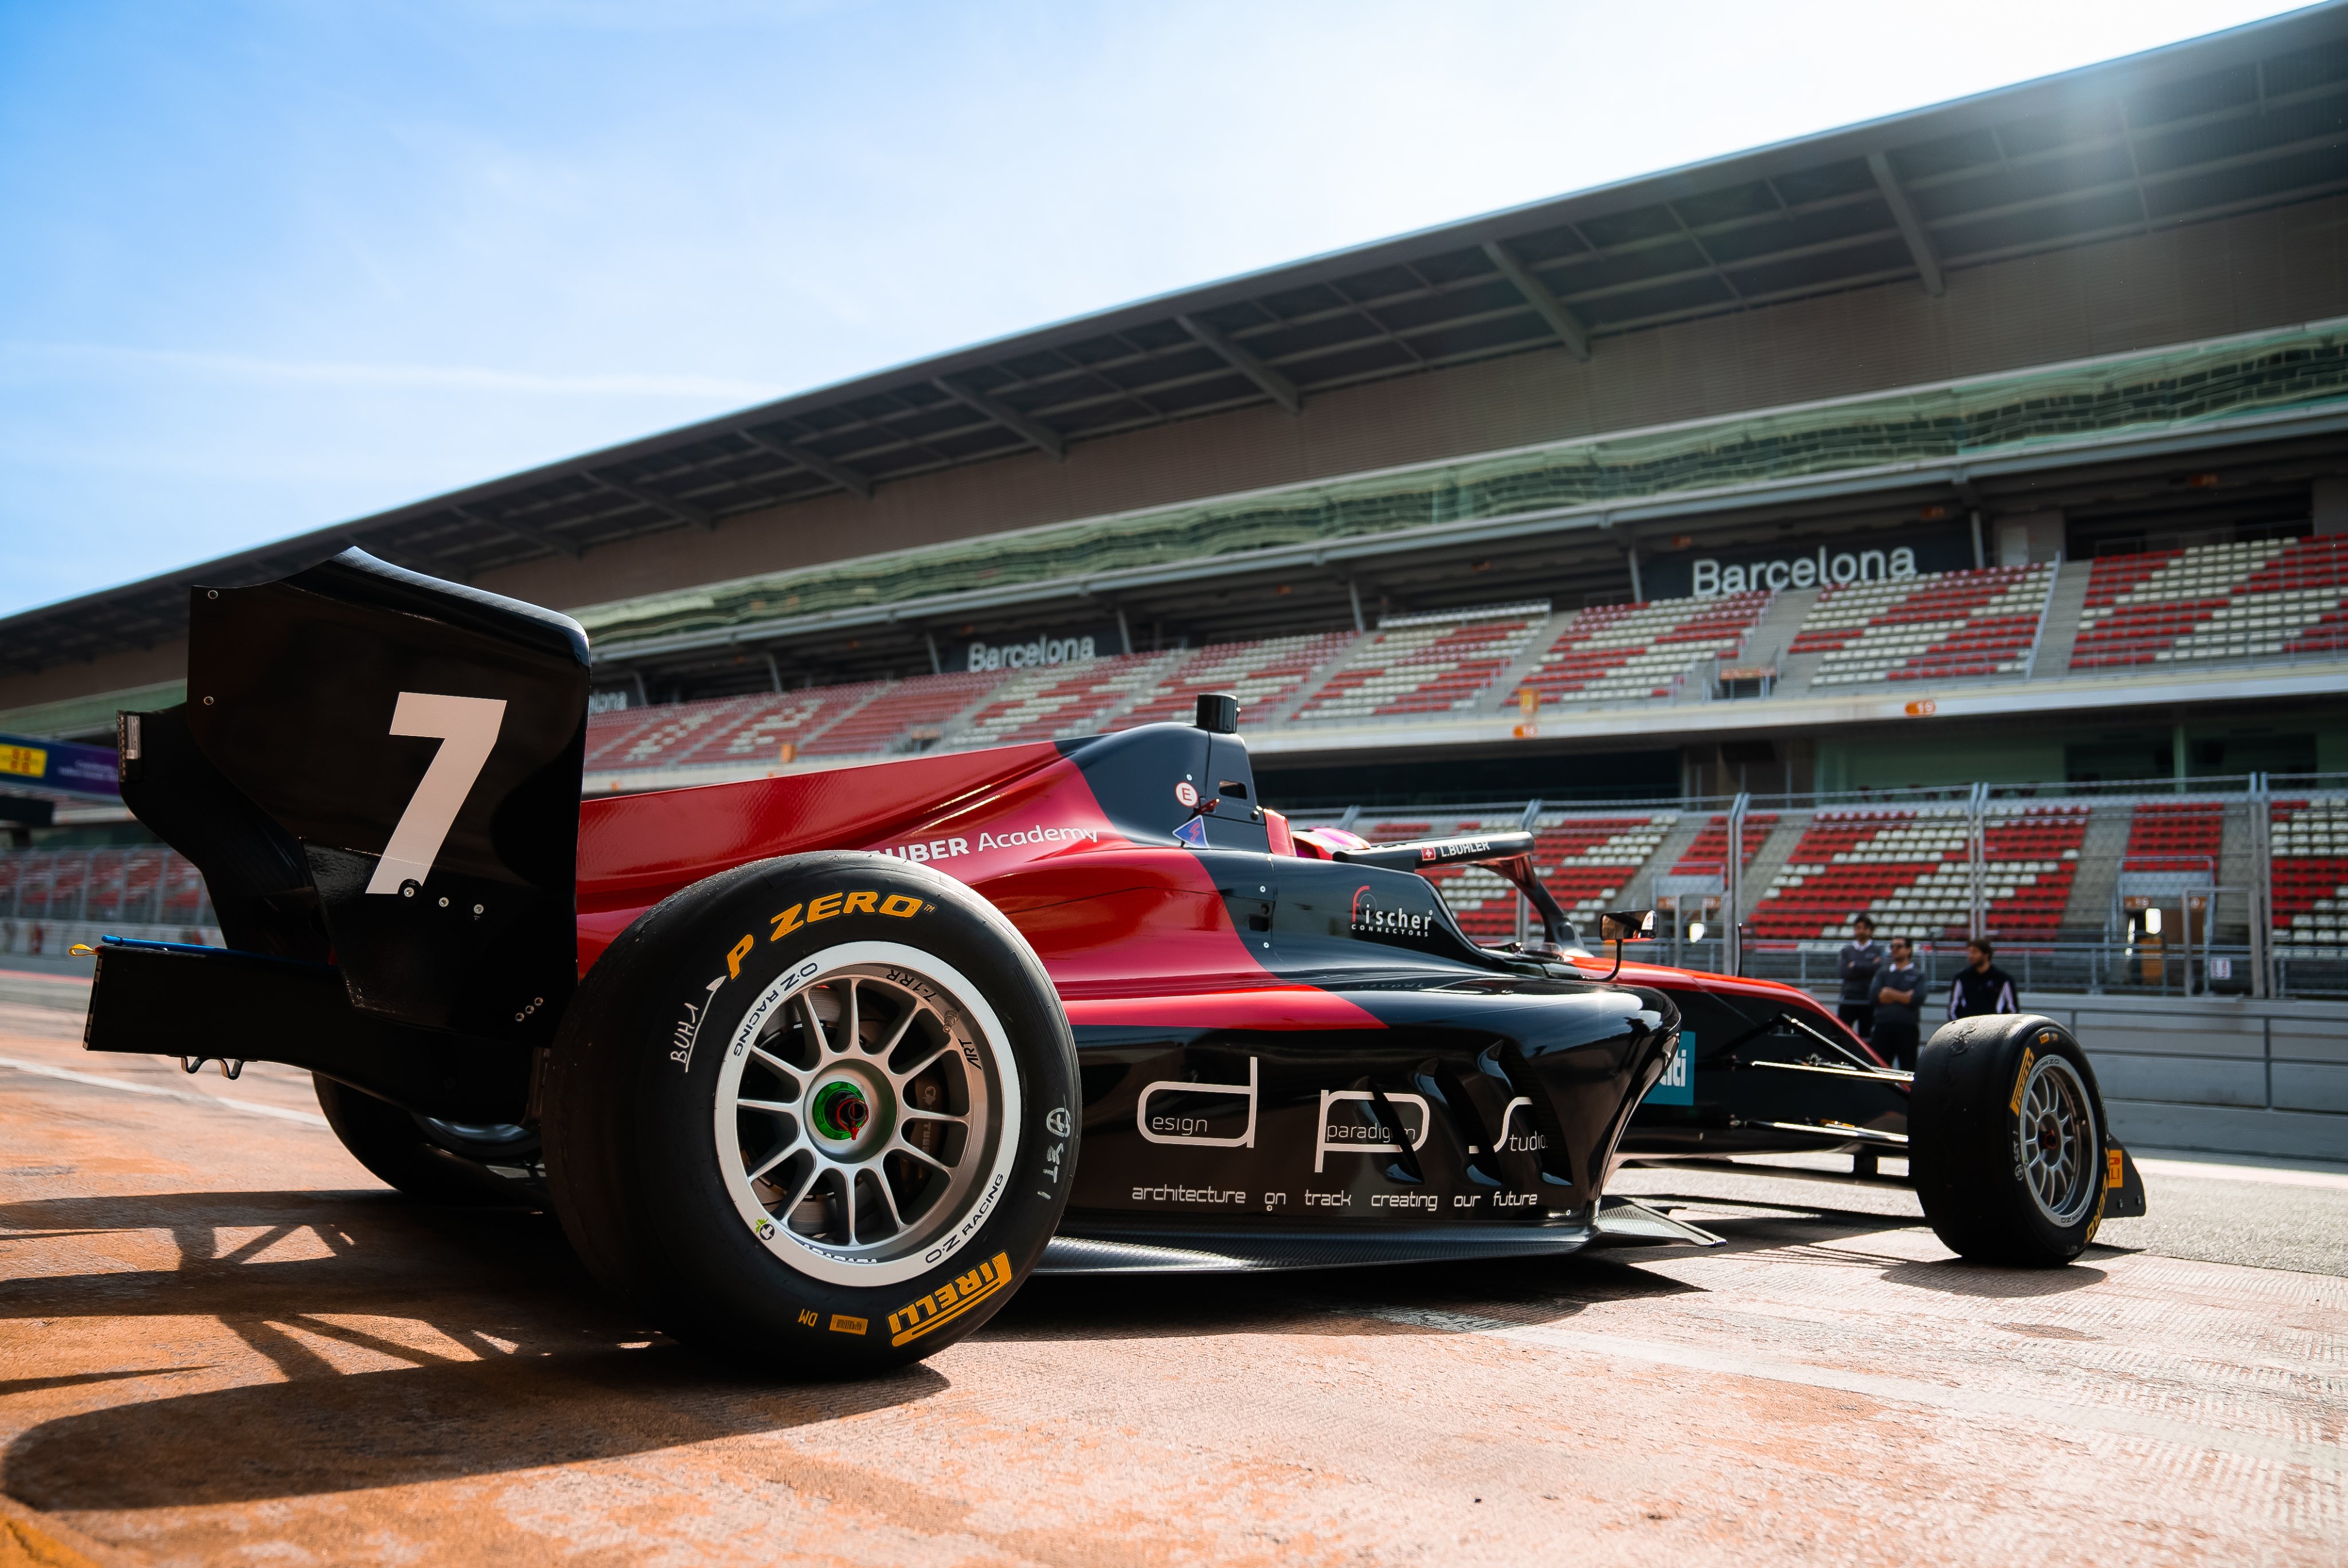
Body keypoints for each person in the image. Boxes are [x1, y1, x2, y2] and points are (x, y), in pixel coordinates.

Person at [1869, 935, 1926, 1070]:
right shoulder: (1883, 973)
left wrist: (1888, 992)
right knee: (1879, 1068)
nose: (1894, 949)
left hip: (1907, 1028)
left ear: (1909, 950)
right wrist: (1904, 996)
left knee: (1908, 1068)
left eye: (1899, 947)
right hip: (1882, 1027)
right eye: (1892, 946)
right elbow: (1874, 996)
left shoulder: (1918, 975)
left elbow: (1916, 999)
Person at [1836, 915, 1885, 1039]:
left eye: (1864, 928)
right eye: (1858, 928)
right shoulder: (1846, 951)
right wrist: (1869, 966)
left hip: (1868, 999)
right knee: (1841, 1034)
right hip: (1849, 998)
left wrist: (1855, 965)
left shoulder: (1878, 950)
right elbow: (1844, 973)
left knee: (1866, 1036)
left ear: (1871, 931)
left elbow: (1879, 970)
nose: (1861, 931)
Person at [1946, 938, 2018, 1020]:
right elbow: (1952, 1009)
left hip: (1994, 1029)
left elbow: (2013, 1011)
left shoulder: (2003, 980)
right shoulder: (1961, 978)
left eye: (1975, 952)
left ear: (1986, 955)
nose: (1971, 956)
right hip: (1968, 1029)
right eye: (1969, 952)